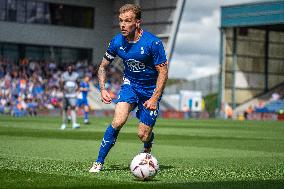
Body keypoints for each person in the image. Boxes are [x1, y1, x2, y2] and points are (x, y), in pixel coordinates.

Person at [89, 4, 168, 173]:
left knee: (143, 134)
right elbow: (102, 67)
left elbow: (163, 72)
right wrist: (102, 88)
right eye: (120, 21)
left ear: (137, 23)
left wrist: (155, 98)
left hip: (150, 90)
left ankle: (148, 143)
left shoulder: (153, 43)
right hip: (130, 86)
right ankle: (98, 162)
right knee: (118, 121)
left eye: (128, 21)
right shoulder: (117, 41)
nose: (123, 25)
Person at [60, 64, 80, 130]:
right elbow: (61, 83)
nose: (70, 70)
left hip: (73, 94)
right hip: (66, 94)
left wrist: (78, 89)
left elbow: (78, 82)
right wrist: (62, 89)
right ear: (67, 70)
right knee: (64, 109)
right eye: (68, 69)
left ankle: (74, 123)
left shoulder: (76, 75)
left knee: (73, 108)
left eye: (71, 69)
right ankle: (63, 124)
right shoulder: (64, 75)